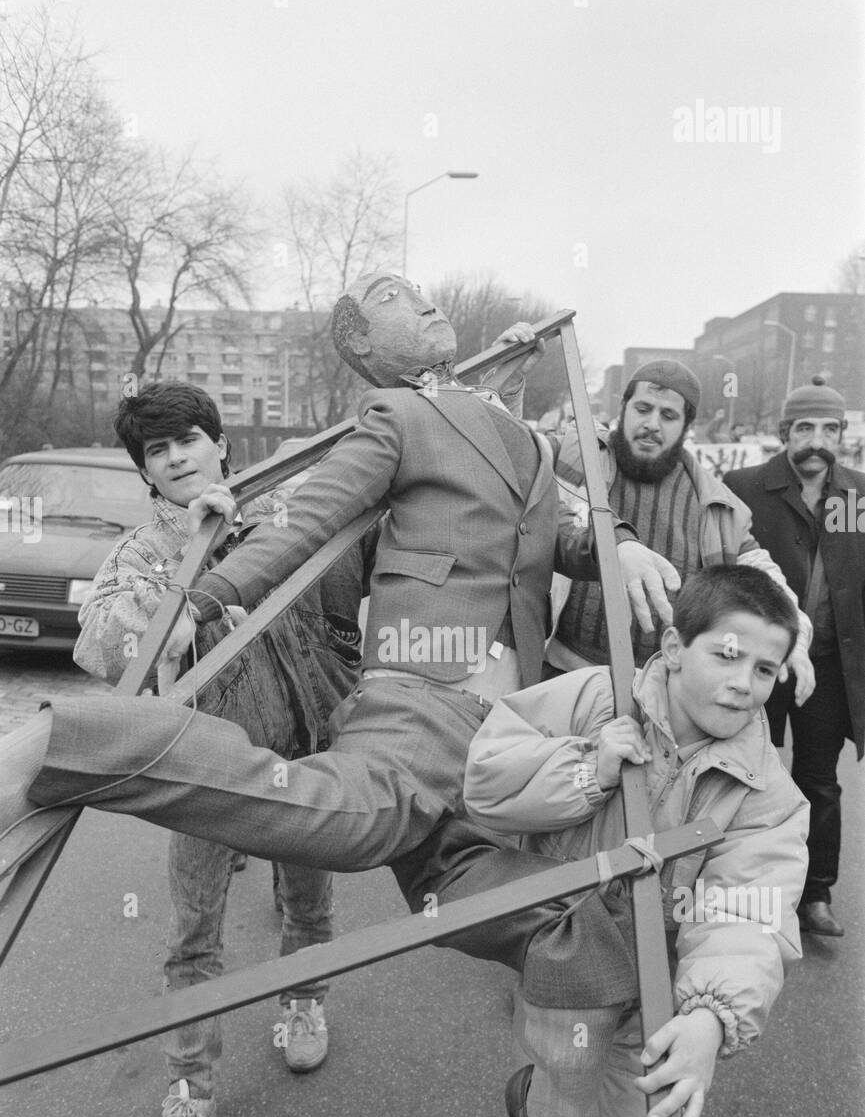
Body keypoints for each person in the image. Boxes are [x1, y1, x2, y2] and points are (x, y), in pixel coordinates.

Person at [0, 275, 684, 986]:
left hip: (496, 714)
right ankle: (68, 747)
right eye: (390, 298)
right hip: (411, 703)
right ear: (362, 346)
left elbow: (548, 532)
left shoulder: (523, 440)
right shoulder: (393, 417)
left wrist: (620, 544)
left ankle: (633, 966)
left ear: (217, 444)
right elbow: (307, 522)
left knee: (456, 889)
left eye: (187, 441)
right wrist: (198, 600)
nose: (423, 301)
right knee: (341, 829)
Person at [462, 565, 809, 1117]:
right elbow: (486, 780)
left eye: (765, 669)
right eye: (727, 654)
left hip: (654, 1012)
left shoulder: (766, 792)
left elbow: (749, 910)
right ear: (674, 646)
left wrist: (711, 1018)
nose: (744, 683)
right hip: (560, 990)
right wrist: (587, 770)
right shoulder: (594, 696)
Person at [75, 382, 368, 1117]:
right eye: (157, 451)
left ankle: (303, 1003)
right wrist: (179, 579)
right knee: (192, 936)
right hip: (203, 773)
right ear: (145, 469)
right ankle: (191, 1089)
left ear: (221, 444)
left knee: (307, 902)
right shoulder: (141, 553)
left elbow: (382, 509)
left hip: (302, 758)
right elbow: (101, 646)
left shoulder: (285, 518)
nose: (176, 459)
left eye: (188, 441)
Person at [541, 358, 815, 702]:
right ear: (624, 408)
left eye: (668, 416)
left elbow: (764, 577)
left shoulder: (716, 504)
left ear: (686, 425)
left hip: (660, 695)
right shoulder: (573, 455)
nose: (652, 424)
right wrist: (508, 383)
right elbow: (508, 449)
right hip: (561, 677)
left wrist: (794, 635)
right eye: (643, 409)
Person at [725, 377, 865, 937]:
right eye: (804, 428)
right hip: (758, 661)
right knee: (740, 772)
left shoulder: (855, 497)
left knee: (818, 781)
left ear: (842, 434)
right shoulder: (745, 488)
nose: (816, 441)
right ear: (785, 432)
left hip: (827, 666)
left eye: (829, 429)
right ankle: (735, 885)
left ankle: (814, 894)